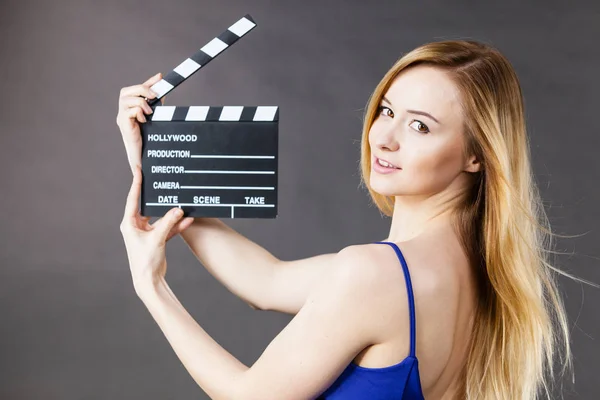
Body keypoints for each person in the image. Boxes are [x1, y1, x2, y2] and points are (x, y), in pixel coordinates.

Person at [116, 40, 573, 399]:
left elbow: (247, 396)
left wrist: (151, 287)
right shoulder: (474, 268)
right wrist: (159, 168)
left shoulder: (376, 274)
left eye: (420, 126)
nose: (385, 137)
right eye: (388, 111)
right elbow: (268, 282)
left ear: (477, 154)